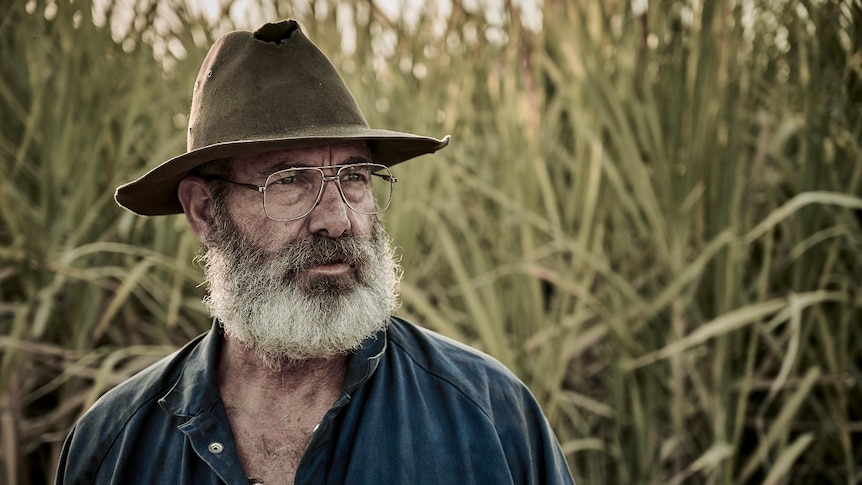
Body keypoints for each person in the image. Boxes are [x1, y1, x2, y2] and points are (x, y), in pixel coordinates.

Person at [55, 19, 575, 485]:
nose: (338, 219)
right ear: (205, 213)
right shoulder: (114, 444)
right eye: (289, 181)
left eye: (353, 177)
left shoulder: (489, 415)